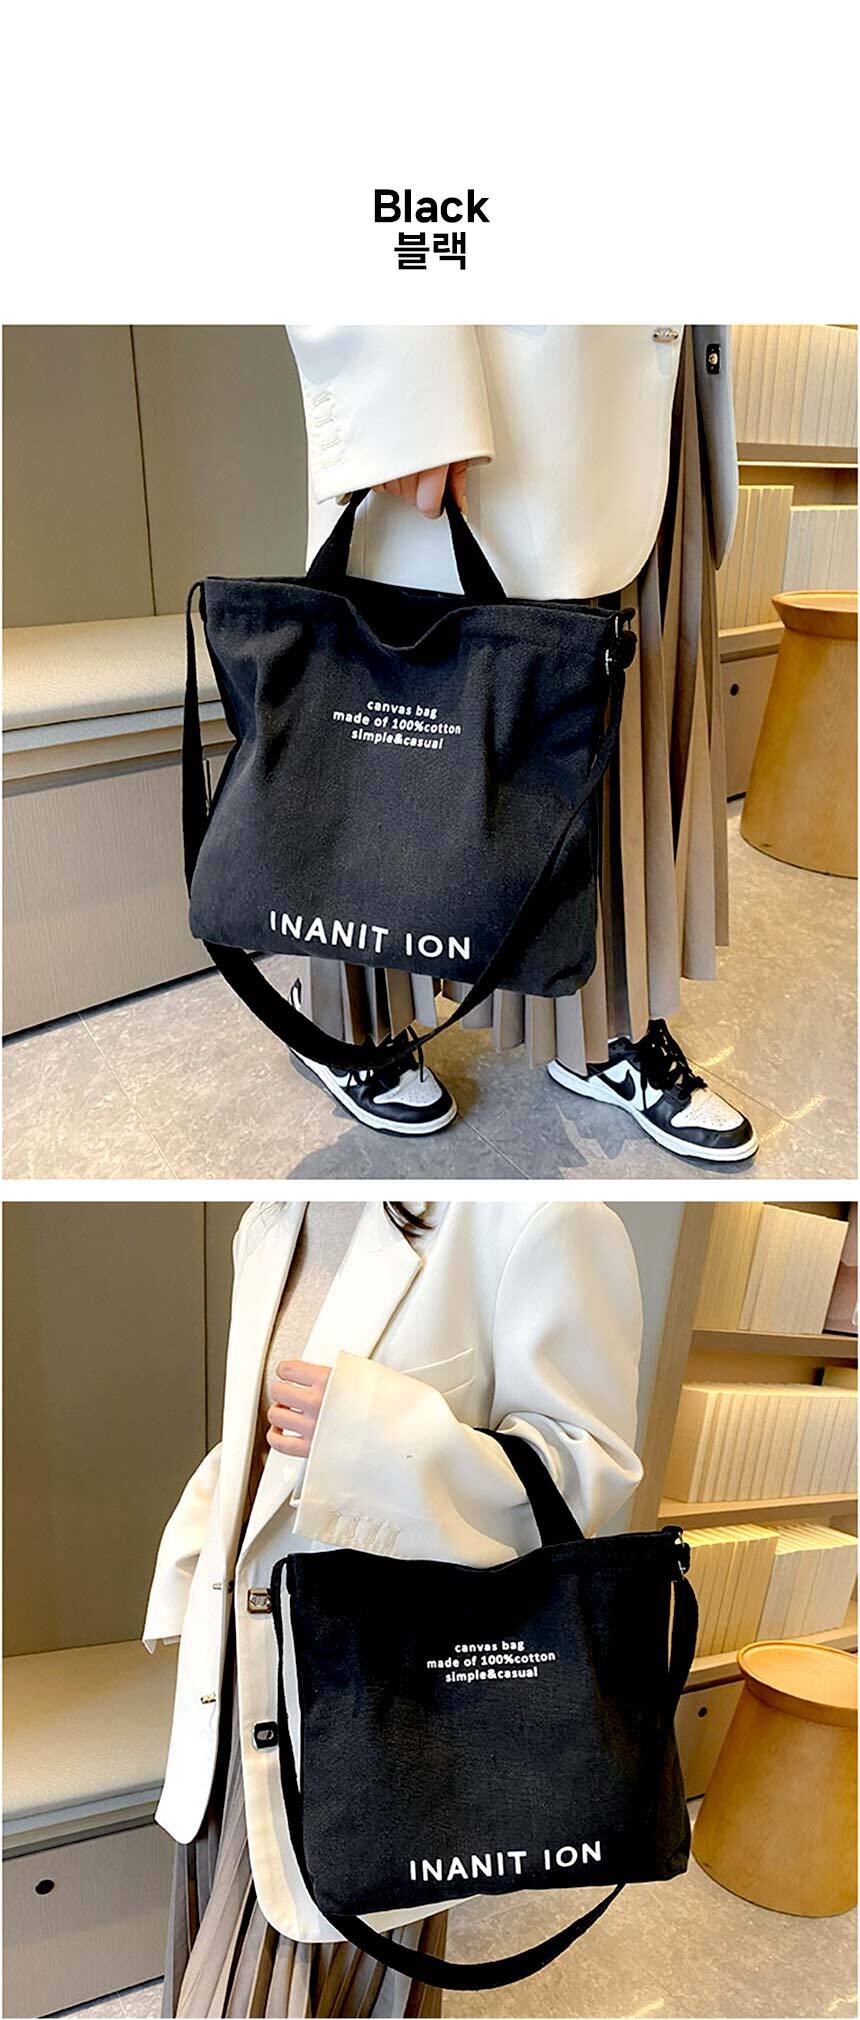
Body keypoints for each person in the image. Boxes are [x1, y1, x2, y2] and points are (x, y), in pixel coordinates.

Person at [144, 1197, 644, 2016]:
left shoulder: (541, 1217)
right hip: (240, 1673)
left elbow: (582, 1473)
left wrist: (372, 1436)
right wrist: (190, 1566)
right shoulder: (271, 1217)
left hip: (377, 1711)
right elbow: (260, 1446)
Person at [282, 325, 757, 1163]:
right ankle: (349, 1018)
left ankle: (598, 1027)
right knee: (393, 700)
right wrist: (394, 387)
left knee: (614, 698)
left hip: (643, 355)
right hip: (493, 352)